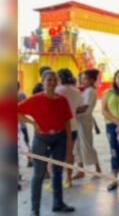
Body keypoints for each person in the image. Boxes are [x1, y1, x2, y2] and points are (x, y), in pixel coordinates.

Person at [18, 70, 75, 216]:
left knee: (57, 172)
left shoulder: (62, 100)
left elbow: (67, 121)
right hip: (41, 139)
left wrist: (69, 143)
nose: (51, 82)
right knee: (39, 174)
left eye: (54, 80)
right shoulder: (35, 99)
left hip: (60, 138)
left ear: (57, 82)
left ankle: (58, 204)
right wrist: (33, 123)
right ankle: (35, 209)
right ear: (43, 82)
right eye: (48, 80)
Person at [101, 68, 119, 191]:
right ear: (115, 79)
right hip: (112, 125)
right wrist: (117, 122)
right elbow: (104, 110)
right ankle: (114, 178)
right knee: (114, 151)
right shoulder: (108, 93)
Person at [72, 69, 102, 180]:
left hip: (84, 121)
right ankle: (80, 170)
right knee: (77, 146)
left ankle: (98, 169)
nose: (82, 81)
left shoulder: (90, 91)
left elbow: (84, 108)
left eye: (85, 79)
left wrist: (70, 109)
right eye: (82, 78)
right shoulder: (85, 90)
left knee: (87, 146)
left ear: (92, 80)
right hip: (79, 121)